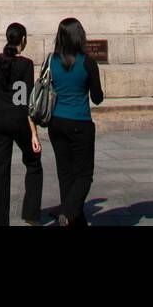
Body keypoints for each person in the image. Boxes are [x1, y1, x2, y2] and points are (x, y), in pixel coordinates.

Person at [0, 22, 42, 227]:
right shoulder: (26, 64)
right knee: (34, 162)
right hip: (18, 120)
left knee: (0, 171)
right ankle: (31, 215)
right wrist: (34, 133)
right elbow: (27, 101)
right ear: (23, 40)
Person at [48, 17, 103, 227]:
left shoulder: (51, 60)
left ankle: (73, 220)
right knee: (84, 176)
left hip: (56, 122)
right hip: (80, 122)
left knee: (65, 175)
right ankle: (68, 213)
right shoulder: (87, 62)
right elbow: (97, 97)